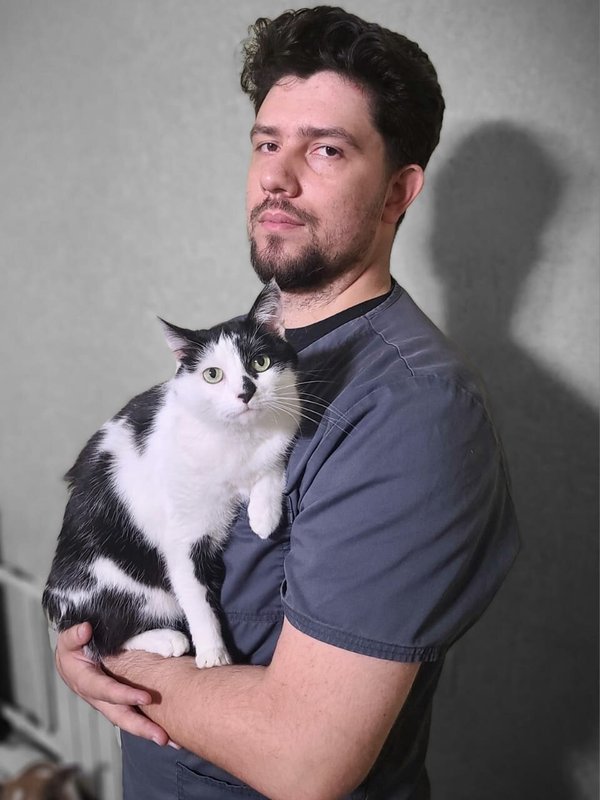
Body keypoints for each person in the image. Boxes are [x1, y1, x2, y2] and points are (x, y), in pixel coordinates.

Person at [55, 7, 519, 799]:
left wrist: (108, 656)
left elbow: (303, 760)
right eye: (267, 143)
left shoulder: (414, 410)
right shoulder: (247, 348)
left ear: (398, 193)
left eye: (326, 149)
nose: (277, 175)